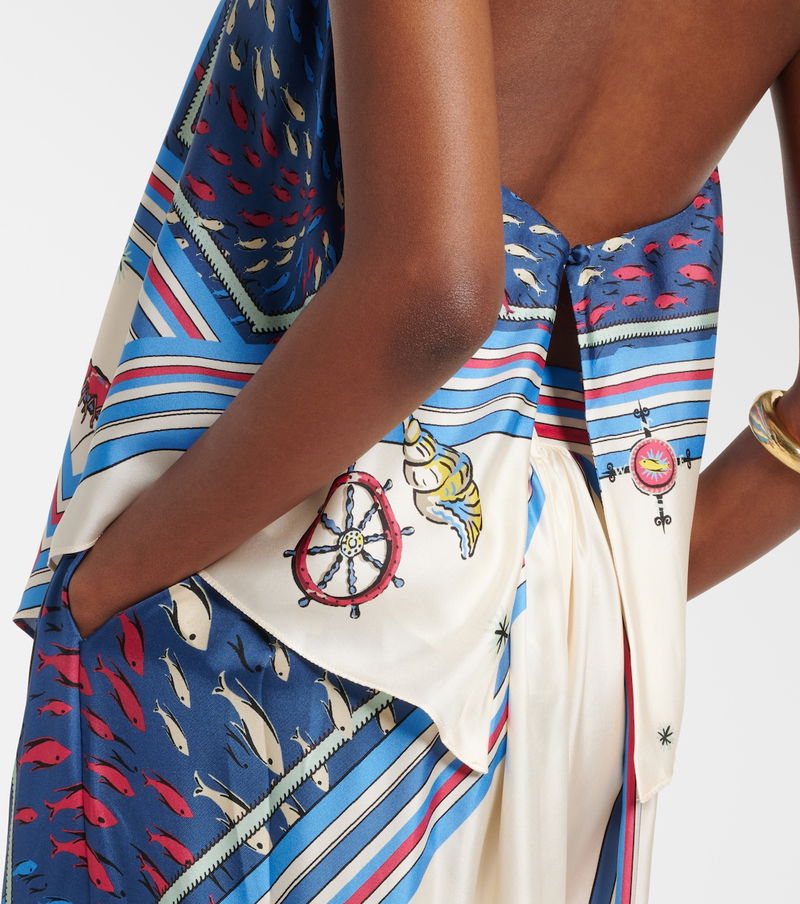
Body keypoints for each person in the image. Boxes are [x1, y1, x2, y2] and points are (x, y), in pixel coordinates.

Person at [3, 1, 800, 901]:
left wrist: (113, 579)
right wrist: (596, 593)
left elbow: (436, 291)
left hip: (288, 628)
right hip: (578, 667)